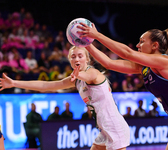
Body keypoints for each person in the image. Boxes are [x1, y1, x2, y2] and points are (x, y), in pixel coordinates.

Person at [77, 23, 168, 150]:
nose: (137, 45)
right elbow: (109, 63)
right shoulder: (145, 68)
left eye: (141, 41)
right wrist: (87, 44)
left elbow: (127, 53)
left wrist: (97, 35)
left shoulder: (166, 62)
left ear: (154, 45)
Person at [0, 46, 130, 150]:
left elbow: (89, 77)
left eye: (80, 56)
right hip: (104, 129)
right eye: (73, 57)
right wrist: (14, 83)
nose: (77, 59)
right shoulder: (75, 79)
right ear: (70, 60)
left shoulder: (93, 73)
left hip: (114, 126)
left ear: (87, 59)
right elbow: (45, 85)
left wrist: (78, 75)